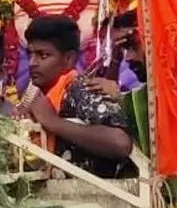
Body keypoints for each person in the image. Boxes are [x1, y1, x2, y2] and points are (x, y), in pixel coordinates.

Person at [21, 15, 136, 178]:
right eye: (30, 54)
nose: (32, 62)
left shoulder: (79, 89)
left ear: (69, 59)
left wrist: (54, 122)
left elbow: (121, 143)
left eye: (43, 55)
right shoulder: (45, 96)